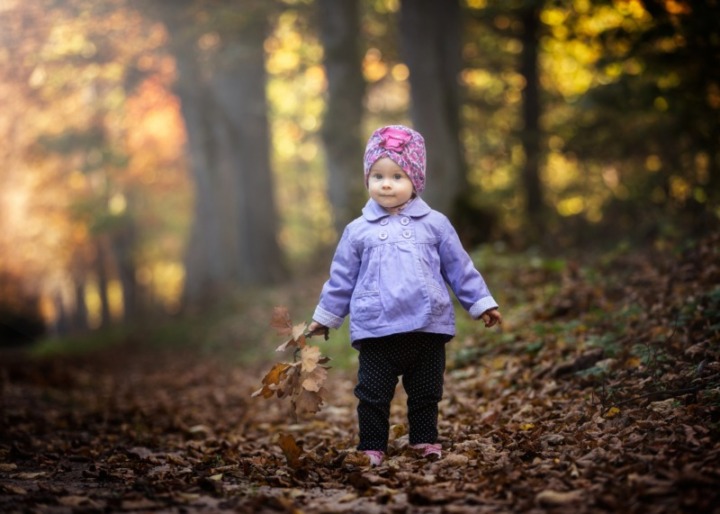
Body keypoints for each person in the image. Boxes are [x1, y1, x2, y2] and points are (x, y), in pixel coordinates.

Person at [307, 125, 502, 467]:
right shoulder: (357, 231)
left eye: (397, 176)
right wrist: (326, 317)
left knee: (426, 393)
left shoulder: (435, 224)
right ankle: (371, 446)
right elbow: (341, 279)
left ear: (415, 180)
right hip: (376, 330)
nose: (386, 183)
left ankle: (424, 440)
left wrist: (481, 303)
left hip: (427, 327)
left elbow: (460, 268)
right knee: (371, 394)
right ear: (367, 179)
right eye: (378, 175)